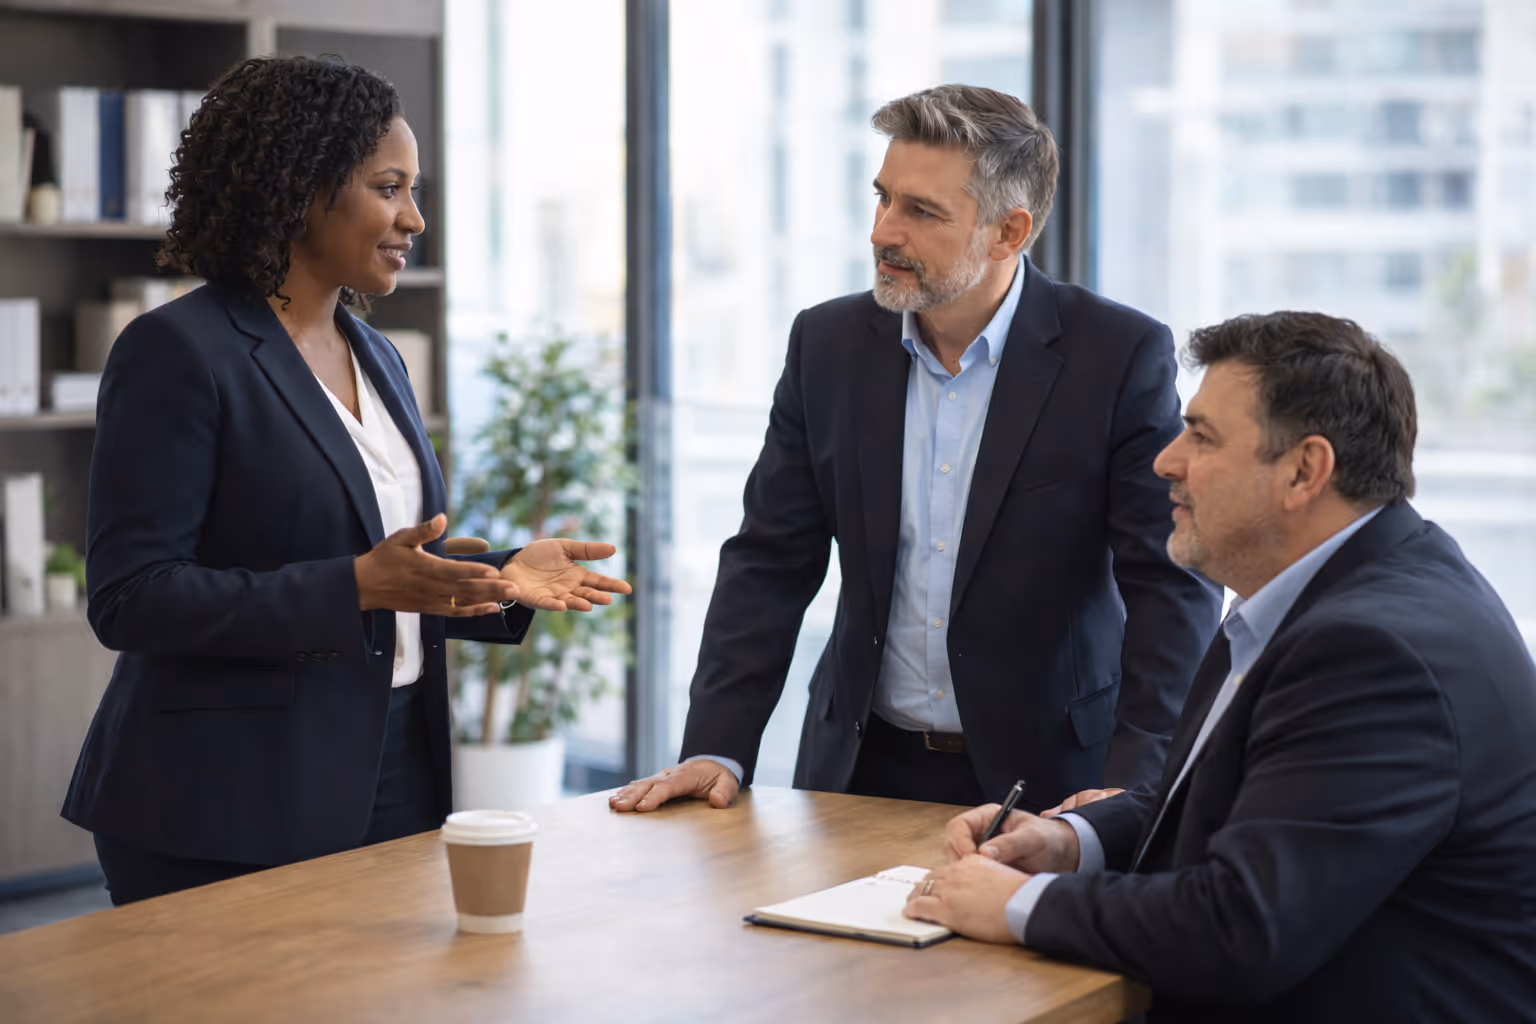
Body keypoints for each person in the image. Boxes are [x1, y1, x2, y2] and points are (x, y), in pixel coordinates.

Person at [61, 56, 630, 906]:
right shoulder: (178, 351)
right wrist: (357, 586)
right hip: (225, 800)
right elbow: (132, 597)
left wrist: (492, 576)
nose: (416, 217)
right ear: (301, 188)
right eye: (389, 187)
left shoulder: (381, 355)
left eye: (415, 188)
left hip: (394, 763)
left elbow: (376, 559)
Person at [906, 312, 1536, 1021]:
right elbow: (1239, 792)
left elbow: (1241, 929)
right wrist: (1068, 842)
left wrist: (1023, 902)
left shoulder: (1371, 653)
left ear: (1305, 470)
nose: (1165, 461)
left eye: (1201, 437)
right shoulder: (1336, 590)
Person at [612, 84, 1220, 816]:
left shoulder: (1117, 355)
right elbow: (770, 559)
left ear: (1009, 232)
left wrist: (1132, 787)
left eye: (921, 211)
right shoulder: (827, 346)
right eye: (884, 198)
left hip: (1052, 783)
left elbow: (1170, 583)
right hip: (856, 769)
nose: (882, 232)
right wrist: (716, 745)